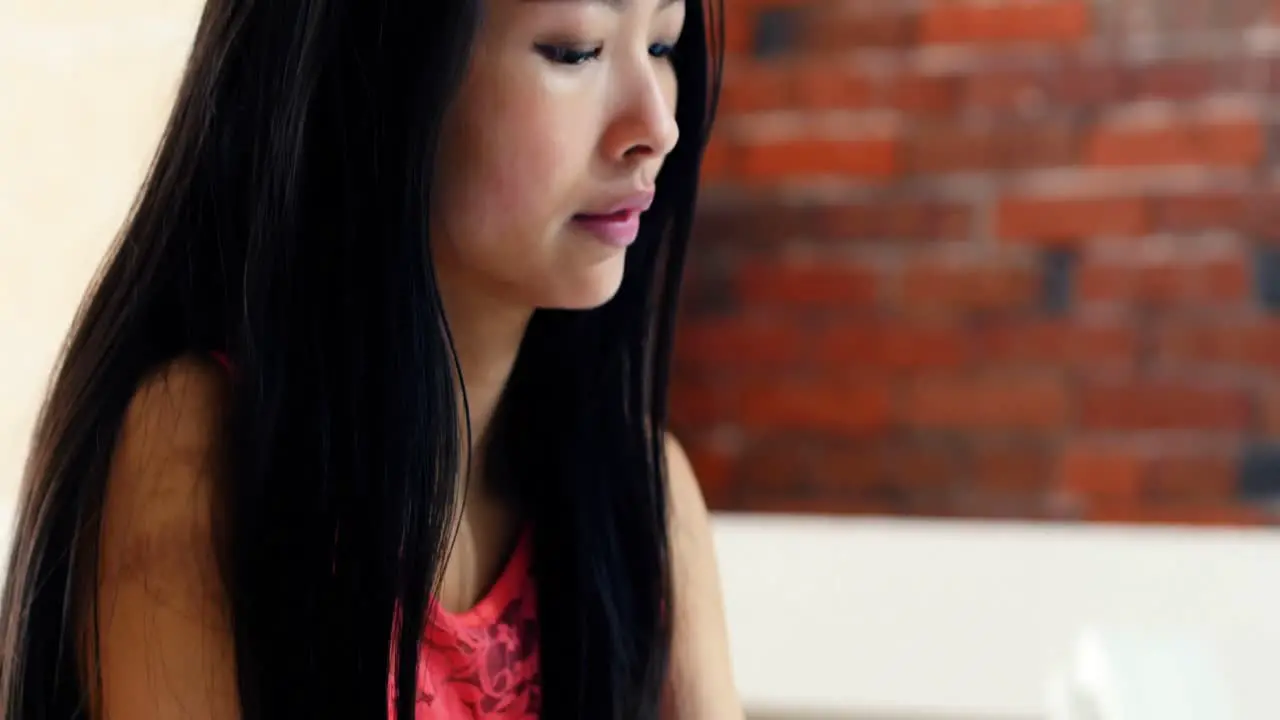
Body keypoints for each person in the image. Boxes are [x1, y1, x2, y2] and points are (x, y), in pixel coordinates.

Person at [0, 0, 739, 717]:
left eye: (663, 46)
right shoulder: (202, 450)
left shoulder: (647, 498)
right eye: (575, 50)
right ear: (383, 61)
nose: (658, 127)